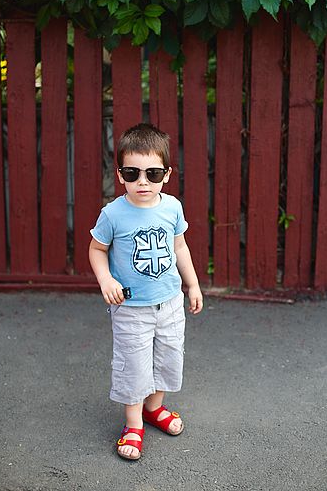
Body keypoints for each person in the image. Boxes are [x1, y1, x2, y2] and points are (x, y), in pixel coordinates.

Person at [89, 122, 203, 460]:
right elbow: (96, 250)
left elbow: (180, 247)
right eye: (133, 172)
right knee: (134, 365)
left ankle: (154, 409)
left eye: (153, 173)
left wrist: (193, 283)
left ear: (166, 175)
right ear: (120, 174)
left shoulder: (171, 208)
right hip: (131, 308)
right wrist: (106, 280)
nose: (143, 181)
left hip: (169, 304)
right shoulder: (113, 214)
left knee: (168, 360)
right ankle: (133, 424)